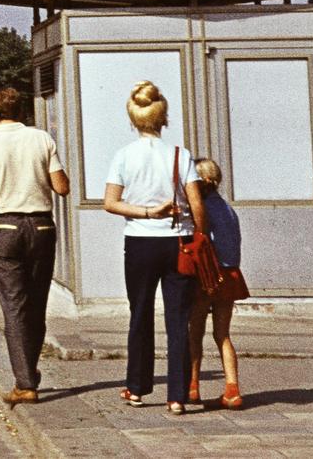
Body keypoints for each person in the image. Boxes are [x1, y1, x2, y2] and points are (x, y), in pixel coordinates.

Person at [103, 80, 205, 416]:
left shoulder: (123, 156)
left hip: (140, 242)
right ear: (164, 118)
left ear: (133, 119)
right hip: (178, 242)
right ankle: (177, 395)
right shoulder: (180, 155)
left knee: (140, 312)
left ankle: (136, 386)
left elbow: (111, 203)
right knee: (178, 318)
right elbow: (196, 202)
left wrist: (147, 212)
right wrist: (199, 235)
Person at [0, 86, 71, 408]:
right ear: (23, 111)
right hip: (42, 226)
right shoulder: (42, 139)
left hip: (6, 227)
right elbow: (62, 187)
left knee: (14, 306)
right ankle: (30, 371)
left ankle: (25, 383)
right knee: (37, 303)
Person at [187, 157, 245, 410]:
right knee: (222, 334)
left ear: (203, 181)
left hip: (207, 275)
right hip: (230, 275)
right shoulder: (228, 209)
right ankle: (232, 389)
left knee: (195, 331)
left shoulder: (201, 208)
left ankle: (192, 385)